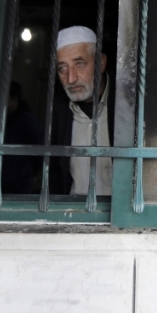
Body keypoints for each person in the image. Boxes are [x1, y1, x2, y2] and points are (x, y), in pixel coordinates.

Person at [49, 25, 114, 196]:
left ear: (101, 63)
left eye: (79, 64)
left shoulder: (127, 103)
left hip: (120, 218)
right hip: (72, 214)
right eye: (62, 68)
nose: (71, 78)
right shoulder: (58, 109)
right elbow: (53, 170)